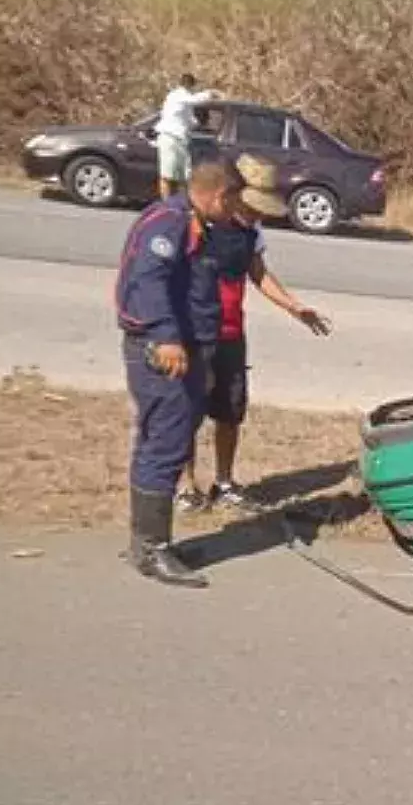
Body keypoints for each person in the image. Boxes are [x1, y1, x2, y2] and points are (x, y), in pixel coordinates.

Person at [114, 154, 279, 587]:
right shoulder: (168, 223)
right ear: (220, 195)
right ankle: (151, 550)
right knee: (165, 445)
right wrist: (167, 337)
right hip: (166, 351)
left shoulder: (197, 222)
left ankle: (149, 540)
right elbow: (148, 281)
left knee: (164, 441)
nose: (234, 215)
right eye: (233, 204)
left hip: (192, 349)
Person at [175, 172, 333, 514]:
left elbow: (258, 273)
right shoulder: (197, 223)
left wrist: (293, 306)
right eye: (254, 207)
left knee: (231, 412)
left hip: (232, 333)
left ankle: (225, 482)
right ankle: (187, 486)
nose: (259, 215)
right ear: (233, 198)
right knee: (188, 412)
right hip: (196, 333)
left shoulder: (252, 233)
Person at [152, 73, 222, 202]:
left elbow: (190, 121)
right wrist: (210, 93)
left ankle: (180, 203)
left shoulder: (185, 103)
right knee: (167, 175)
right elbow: (194, 100)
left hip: (181, 140)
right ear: (190, 85)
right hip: (170, 138)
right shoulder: (177, 95)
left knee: (184, 176)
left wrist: (200, 122)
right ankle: (167, 204)